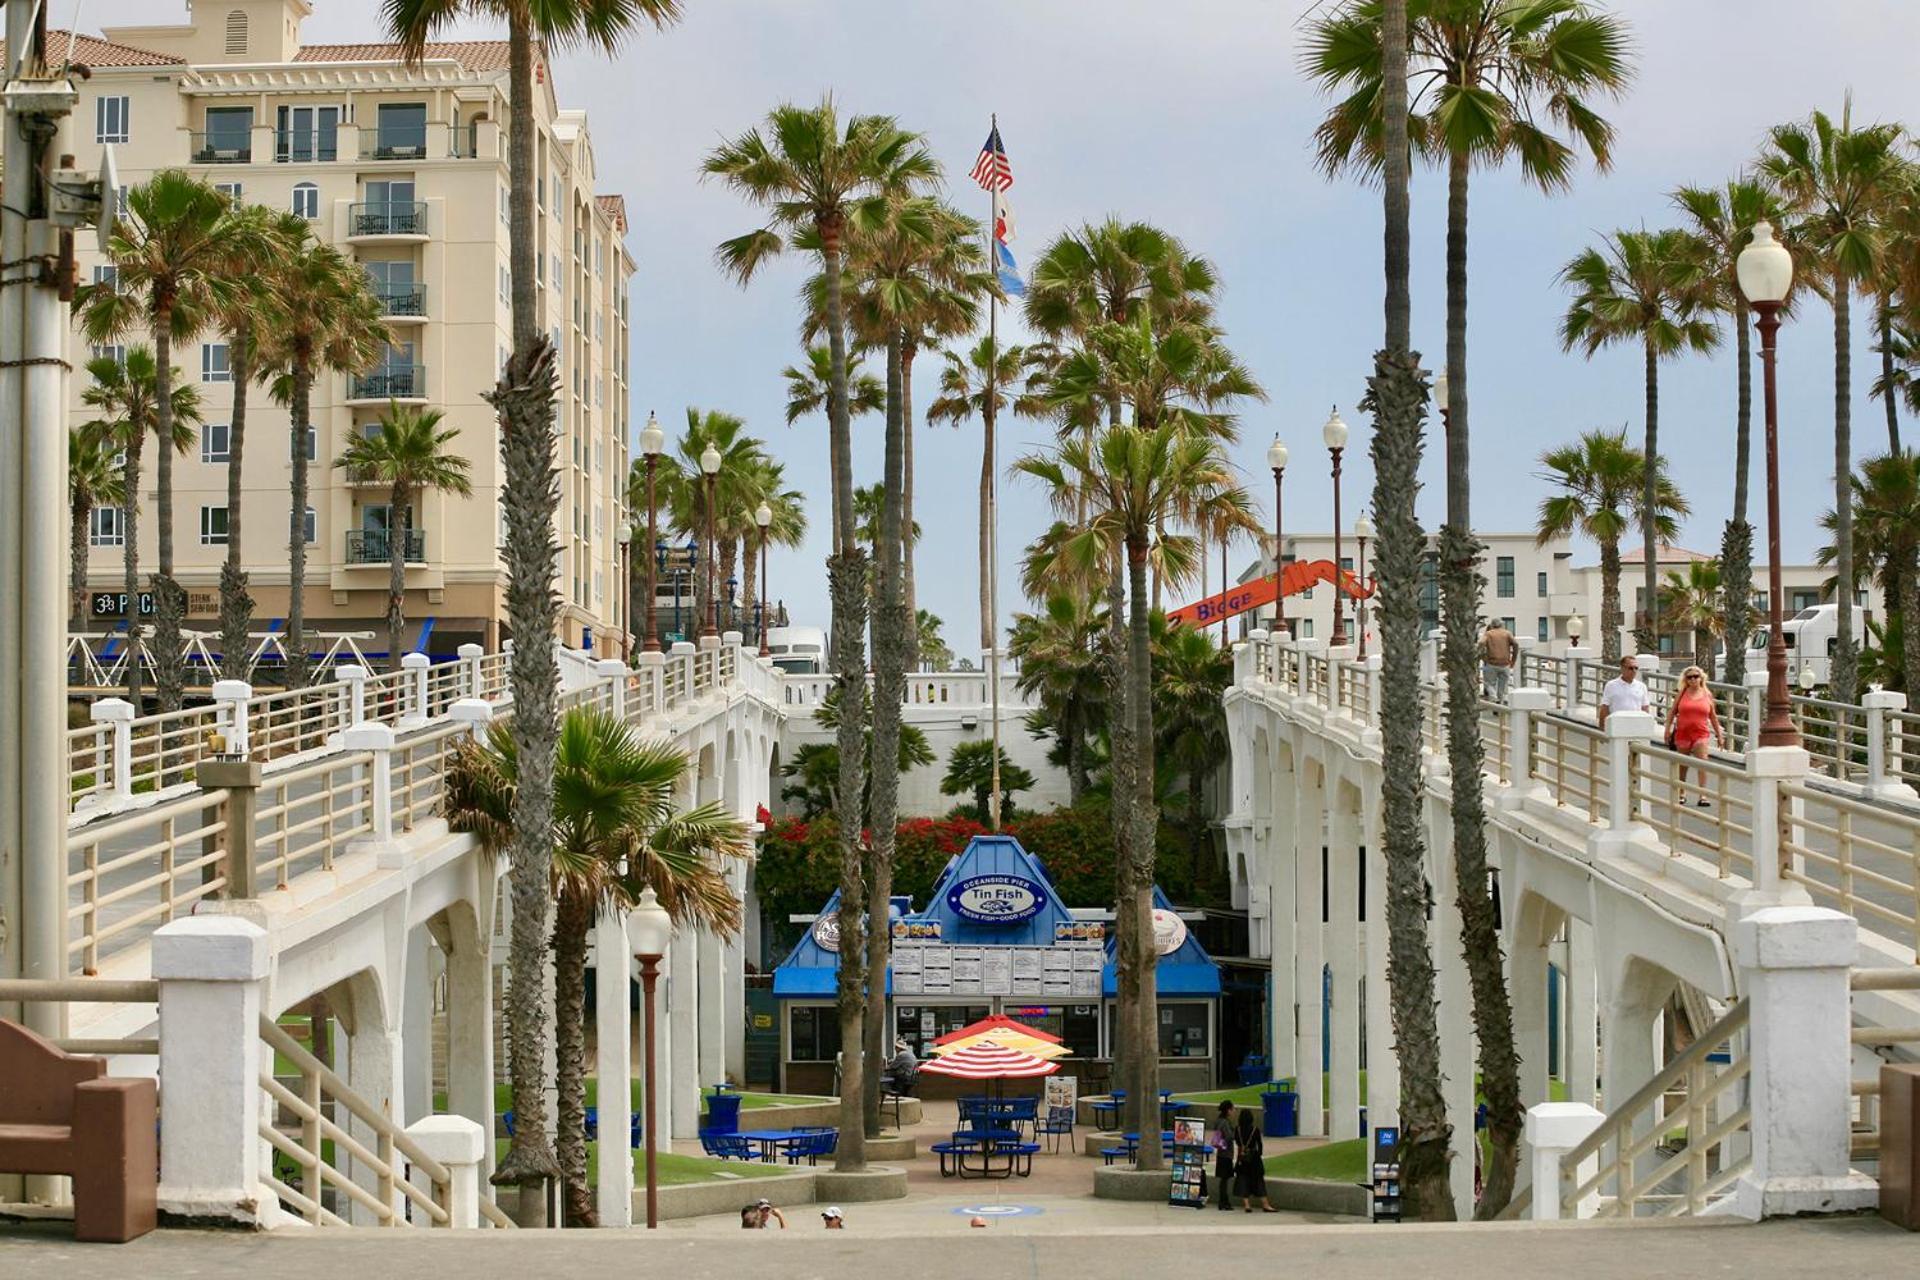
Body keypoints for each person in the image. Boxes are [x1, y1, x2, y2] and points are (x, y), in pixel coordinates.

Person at [1665, 665, 1726, 807]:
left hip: (1701, 733)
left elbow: (1713, 717)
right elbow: (1672, 712)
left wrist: (1719, 735)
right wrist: (1667, 730)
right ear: (1685, 680)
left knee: (1702, 763)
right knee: (1683, 764)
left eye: (1695, 676)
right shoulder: (1682, 692)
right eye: (1689, 677)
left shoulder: (1707, 694)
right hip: (1683, 732)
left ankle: (1703, 794)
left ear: (1701, 678)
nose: (1693, 679)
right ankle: (1681, 792)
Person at [1233, 1109, 1277, 1213]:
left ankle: (1247, 1205)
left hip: (1242, 1158)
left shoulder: (1237, 1129)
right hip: (1254, 1158)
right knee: (1258, 1180)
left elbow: (1237, 1142)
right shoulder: (1255, 1130)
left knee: (1243, 1180)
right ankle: (1265, 1204)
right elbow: (1259, 1144)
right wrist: (1259, 1153)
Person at [1598, 654, 1652, 729]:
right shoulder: (1611, 685)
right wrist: (1602, 727)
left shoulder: (1642, 686)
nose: (1634, 671)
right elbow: (1604, 707)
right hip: (1617, 726)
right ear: (1622, 668)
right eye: (1630, 668)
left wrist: (1646, 727)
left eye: (1636, 668)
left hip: (1636, 727)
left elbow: (1645, 708)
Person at [1211, 1100, 1237, 1211]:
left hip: (1221, 1153)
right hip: (1226, 1154)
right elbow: (1229, 1136)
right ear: (1228, 1110)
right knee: (1225, 1179)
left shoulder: (1218, 1121)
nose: (1234, 1111)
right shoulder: (1225, 1123)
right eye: (1232, 1109)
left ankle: (1223, 1201)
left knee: (1223, 1179)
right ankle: (1223, 1202)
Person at [1482, 620, 1517, 702]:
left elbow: (1481, 642)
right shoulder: (1507, 633)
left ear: (1492, 625)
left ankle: (1494, 698)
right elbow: (1516, 643)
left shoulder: (1488, 634)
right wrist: (1513, 659)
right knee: (1502, 687)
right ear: (1502, 625)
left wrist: (1482, 655)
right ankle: (1499, 705)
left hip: (1491, 663)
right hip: (1505, 664)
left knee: (1489, 684)